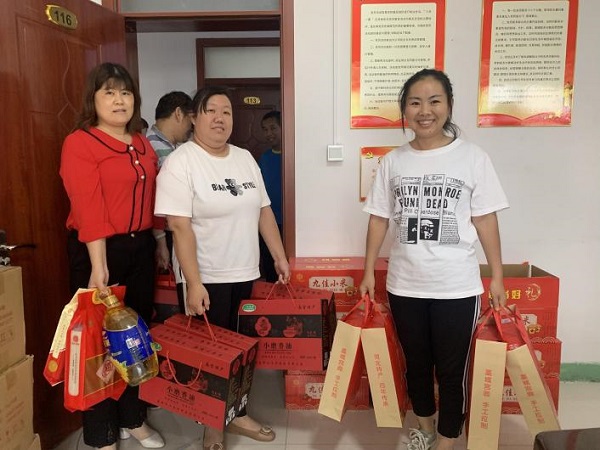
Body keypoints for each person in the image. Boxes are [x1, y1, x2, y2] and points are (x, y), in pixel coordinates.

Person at [359, 68, 509, 450]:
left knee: (452, 370)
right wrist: (368, 271)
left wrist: (496, 276)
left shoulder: (472, 157)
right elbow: (379, 218)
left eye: (434, 101)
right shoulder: (393, 161)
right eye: (415, 102)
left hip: (456, 286)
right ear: (404, 111)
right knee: (416, 364)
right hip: (404, 284)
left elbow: (485, 219)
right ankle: (424, 429)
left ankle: (446, 439)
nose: (424, 111)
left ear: (449, 106)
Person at [154, 85, 290, 450]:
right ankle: (212, 425)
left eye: (226, 112)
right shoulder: (181, 162)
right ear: (194, 117)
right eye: (211, 110)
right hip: (206, 276)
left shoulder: (244, 158)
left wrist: (279, 256)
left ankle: (238, 412)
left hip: (245, 271)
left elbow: (263, 211)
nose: (219, 118)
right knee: (210, 355)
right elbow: (179, 226)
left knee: (242, 350)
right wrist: (193, 282)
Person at [59, 62, 165, 450]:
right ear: (93, 99)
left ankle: (132, 418)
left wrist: (160, 242)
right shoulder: (80, 143)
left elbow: (153, 197)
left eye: (125, 92)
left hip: (140, 248)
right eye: (109, 92)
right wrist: (99, 265)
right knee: (98, 342)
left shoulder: (141, 142)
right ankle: (101, 432)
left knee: (136, 337)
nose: (119, 100)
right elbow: (88, 207)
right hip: (98, 251)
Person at [146, 91, 193, 272]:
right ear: (179, 114)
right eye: (190, 119)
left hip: (175, 229)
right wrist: (161, 241)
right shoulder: (151, 147)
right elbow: (153, 197)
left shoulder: (173, 146)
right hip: (164, 232)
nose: (192, 126)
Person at [257, 110, 283, 282]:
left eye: (273, 128)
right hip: (268, 222)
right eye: (265, 130)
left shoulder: (292, 155)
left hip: (289, 224)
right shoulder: (264, 158)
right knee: (270, 268)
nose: (269, 133)